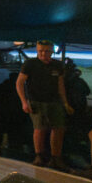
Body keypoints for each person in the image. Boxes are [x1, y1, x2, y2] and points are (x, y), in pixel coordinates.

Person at [16, 40, 73, 169]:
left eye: (46, 51)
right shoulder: (30, 64)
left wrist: (65, 102)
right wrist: (24, 102)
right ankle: (39, 156)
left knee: (58, 128)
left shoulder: (57, 65)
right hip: (36, 100)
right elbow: (19, 83)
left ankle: (56, 157)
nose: (43, 54)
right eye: (40, 51)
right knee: (39, 128)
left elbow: (60, 85)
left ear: (52, 52)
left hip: (54, 101)